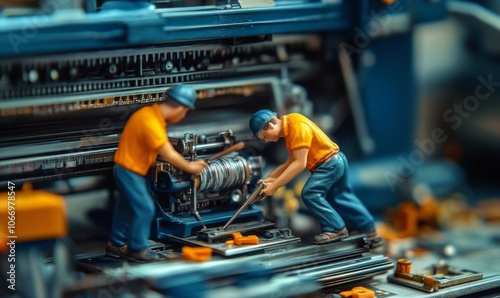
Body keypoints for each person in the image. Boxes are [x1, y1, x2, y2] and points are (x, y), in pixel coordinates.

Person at [106, 84, 207, 261]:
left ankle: (115, 244)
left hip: (133, 169)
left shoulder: (152, 116)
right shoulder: (149, 122)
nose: (183, 116)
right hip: (129, 170)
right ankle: (137, 249)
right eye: (185, 112)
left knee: (126, 207)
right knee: (145, 208)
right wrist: (190, 167)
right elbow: (167, 152)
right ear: (181, 108)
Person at [249, 109, 380, 245]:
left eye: (264, 136)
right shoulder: (290, 128)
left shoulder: (296, 126)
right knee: (341, 197)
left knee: (310, 193)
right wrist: (269, 179)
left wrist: (275, 186)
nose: (266, 140)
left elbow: (300, 164)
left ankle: (336, 229)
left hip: (329, 164)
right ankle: (368, 228)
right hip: (336, 160)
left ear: (270, 126)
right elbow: (289, 162)